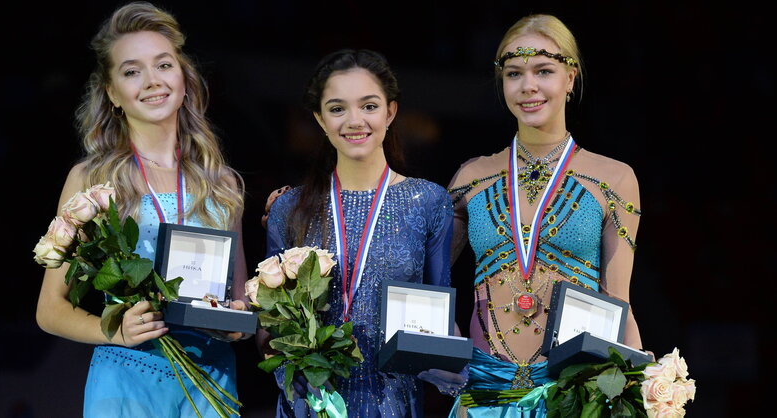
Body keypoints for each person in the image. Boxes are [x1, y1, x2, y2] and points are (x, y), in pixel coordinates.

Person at [35, 2, 249, 416]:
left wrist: (234, 323)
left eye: (164, 65)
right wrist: (113, 331)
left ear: (183, 77)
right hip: (126, 382)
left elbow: (238, 303)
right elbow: (49, 310)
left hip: (210, 384)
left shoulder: (222, 184)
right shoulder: (92, 181)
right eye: (132, 71)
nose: (153, 81)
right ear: (113, 93)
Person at [445, 14, 645, 416]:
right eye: (514, 73)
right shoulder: (471, 178)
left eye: (544, 71)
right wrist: (447, 342)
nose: (528, 86)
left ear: (570, 78)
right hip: (485, 394)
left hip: (573, 393)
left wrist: (641, 384)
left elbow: (618, 299)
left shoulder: (615, 178)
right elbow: (425, 274)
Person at [261, 49, 455, 417]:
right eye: (337, 109)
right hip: (311, 403)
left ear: (390, 112)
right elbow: (267, 327)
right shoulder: (289, 208)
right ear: (319, 118)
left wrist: (454, 363)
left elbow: (440, 308)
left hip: (392, 402)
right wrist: (288, 365)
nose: (354, 120)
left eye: (368, 106)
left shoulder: (429, 201)